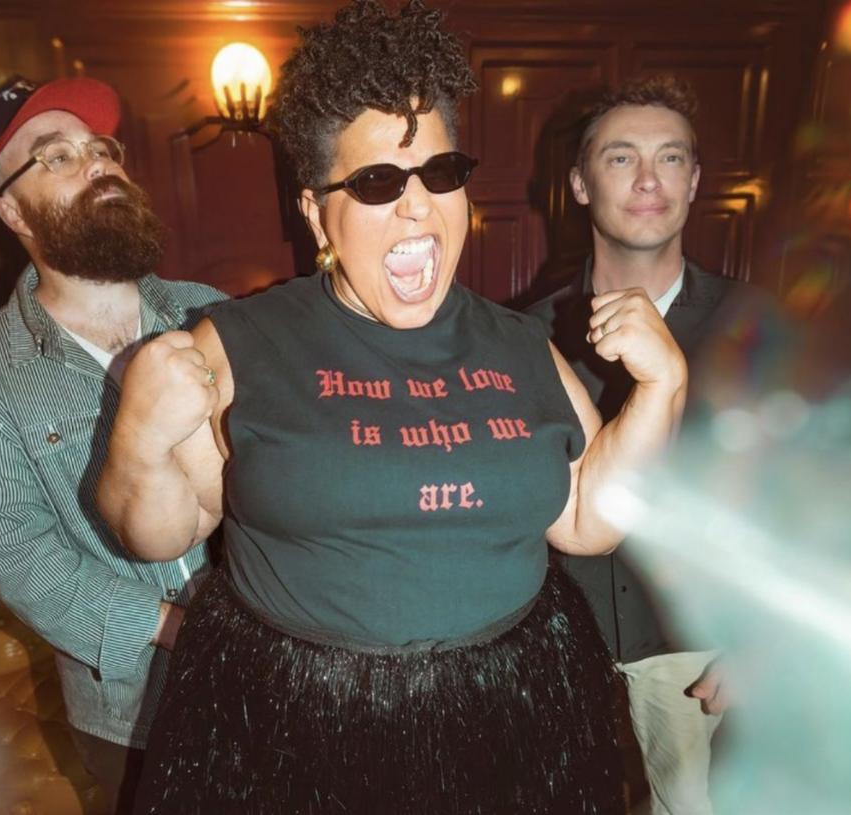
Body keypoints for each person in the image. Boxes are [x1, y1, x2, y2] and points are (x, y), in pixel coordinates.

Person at [98, 3, 687, 812]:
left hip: (507, 721)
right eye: (377, 183)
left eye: (441, 174)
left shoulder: (520, 343)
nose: (417, 208)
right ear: (316, 214)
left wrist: (664, 389)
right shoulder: (241, 342)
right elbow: (159, 531)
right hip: (295, 731)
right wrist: (140, 436)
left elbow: (588, 517)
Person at [0, 75, 227, 812]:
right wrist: (180, 631)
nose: (96, 163)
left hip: (278, 672)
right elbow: (22, 557)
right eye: (55, 156)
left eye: (102, 148)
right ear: (11, 208)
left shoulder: (211, 314)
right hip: (132, 713)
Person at [527, 75, 785, 815]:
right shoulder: (525, 335)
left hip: (704, 667)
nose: (648, 179)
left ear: (696, 179)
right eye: (620, 158)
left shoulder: (762, 328)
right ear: (578, 182)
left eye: (670, 158)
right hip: (558, 669)